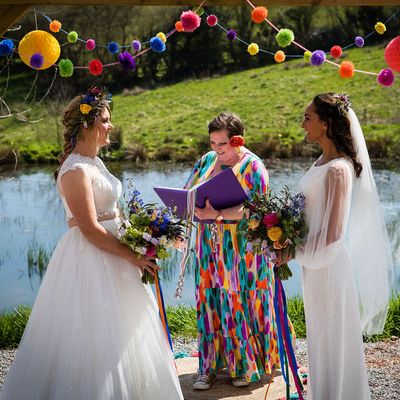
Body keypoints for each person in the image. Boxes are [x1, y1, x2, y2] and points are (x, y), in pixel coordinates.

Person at [0, 87, 184, 400]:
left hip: (116, 256)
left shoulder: (94, 162)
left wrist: (147, 236)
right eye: (106, 120)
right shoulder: (75, 170)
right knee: (93, 333)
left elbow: (109, 213)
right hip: (90, 258)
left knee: (127, 334)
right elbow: (88, 227)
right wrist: (133, 256)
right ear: (88, 125)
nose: (111, 126)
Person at [280, 93, 392, 399]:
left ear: (326, 124)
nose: (302, 124)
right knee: (319, 335)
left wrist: (291, 250)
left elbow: (332, 232)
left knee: (333, 336)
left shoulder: (339, 169)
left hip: (328, 265)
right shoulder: (320, 161)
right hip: (313, 264)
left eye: (307, 117)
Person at [184, 111, 288, 390]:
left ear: (237, 141)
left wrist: (216, 213)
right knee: (209, 302)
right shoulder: (206, 161)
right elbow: (188, 193)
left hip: (242, 252)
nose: (217, 150)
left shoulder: (253, 166)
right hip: (208, 248)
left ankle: (243, 366)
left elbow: (259, 211)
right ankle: (207, 368)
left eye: (223, 145)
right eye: (213, 143)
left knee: (237, 303)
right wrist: (189, 207)